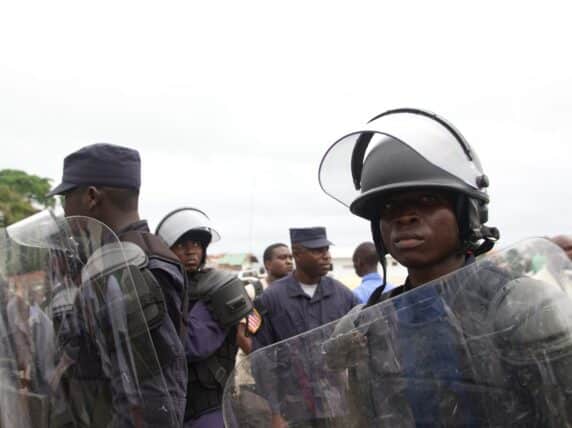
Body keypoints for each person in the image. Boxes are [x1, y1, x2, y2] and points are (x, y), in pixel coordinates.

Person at [317, 108, 572, 425]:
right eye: (389, 206)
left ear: (468, 214)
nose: (404, 216)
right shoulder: (364, 326)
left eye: (426, 200)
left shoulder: (525, 307)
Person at [48, 143, 187, 426]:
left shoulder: (127, 268)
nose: (64, 211)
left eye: (66, 198)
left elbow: (148, 394)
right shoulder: (116, 258)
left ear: (91, 196)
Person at [156, 207, 252, 428]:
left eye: (197, 245)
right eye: (181, 245)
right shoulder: (164, 287)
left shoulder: (218, 287)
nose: (191, 252)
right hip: (168, 402)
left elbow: (193, 344)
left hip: (207, 405)